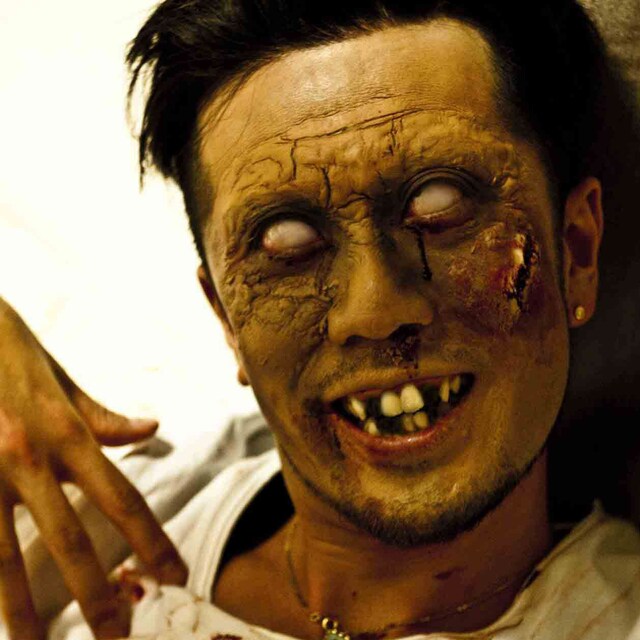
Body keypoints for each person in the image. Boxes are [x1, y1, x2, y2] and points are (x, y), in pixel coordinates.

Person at [1, 0, 640, 638]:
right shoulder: (88, 515)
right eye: (287, 244)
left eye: (441, 206)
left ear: (577, 250)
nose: (376, 310)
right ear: (225, 317)